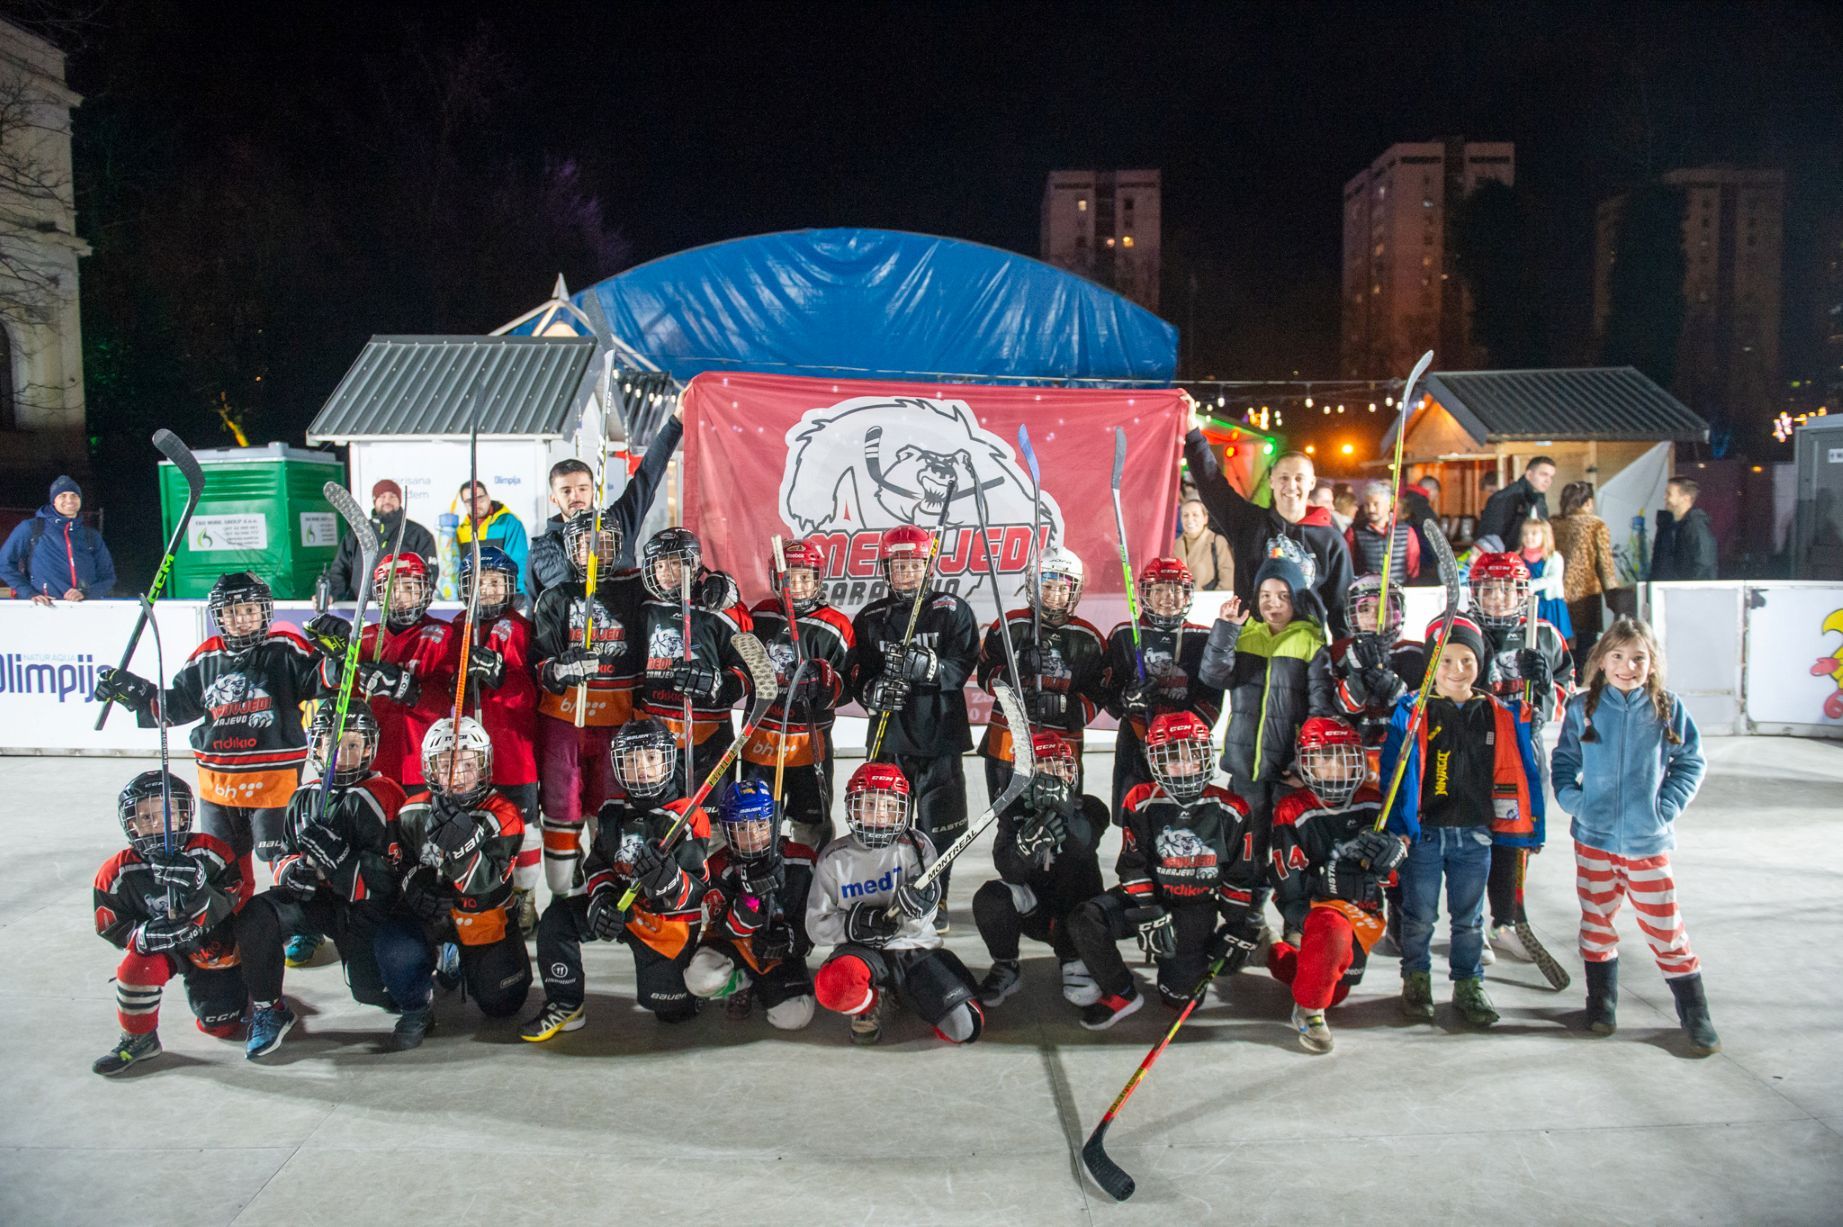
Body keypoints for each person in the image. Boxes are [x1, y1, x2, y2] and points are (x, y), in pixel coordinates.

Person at [1549, 618, 1717, 1055]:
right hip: (1594, 842)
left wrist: (1665, 808)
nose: (1628, 666)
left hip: (1647, 844)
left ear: (1652, 664)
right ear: (1602, 661)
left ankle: (1695, 1015)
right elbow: (1564, 760)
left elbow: (1690, 761)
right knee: (1597, 923)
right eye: (1618, 657)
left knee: (1666, 929)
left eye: (1638, 658)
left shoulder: (1667, 707)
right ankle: (1601, 1005)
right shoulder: (1583, 707)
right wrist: (1575, 801)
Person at [94, 572, 325, 888]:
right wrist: (134, 692)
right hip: (218, 785)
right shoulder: (206, 656)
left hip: (273, 781)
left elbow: (324, 681)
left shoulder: (284, 648)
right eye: (231, 613)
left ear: (265, 611)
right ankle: (233, 931)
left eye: (249, 610)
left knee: (286, 861)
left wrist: (337, 657)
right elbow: (177, 706)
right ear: (219, 616)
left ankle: (299, 929)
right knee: (224, 866)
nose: (241, 619)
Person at [1381, 615, 1544, 1029]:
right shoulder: (1413, 712)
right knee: (1419, 917)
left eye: (1467, 661)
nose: (1457, 671)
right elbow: (1392, 775)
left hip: (1475, 835)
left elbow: (1525, 752)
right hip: (1425, 836)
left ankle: (1469, 984)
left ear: (1480, 664)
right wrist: (1396, 826)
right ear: (1432, 663)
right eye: (1447, 661)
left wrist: (1536, 695)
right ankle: (1415, 978)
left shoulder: (1496, 713)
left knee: (1469, 919)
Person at [1066, 712, 1263, 1030]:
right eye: (1173, 758)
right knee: (1085, 919)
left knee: (1180, 998)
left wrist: (1238, 925)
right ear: (1156, 762)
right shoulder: (1140, 800)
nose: (1184, 767)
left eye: (1191, 757)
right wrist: (1149, 908)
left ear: (1204, 756)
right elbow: (1133, 863)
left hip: (1194, 906)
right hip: (1151, 899)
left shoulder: (1233, 809)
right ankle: (1122, 992)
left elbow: (1241, 875)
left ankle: (1185, 958)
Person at [234, 704, 406, 1059]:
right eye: (332, 744)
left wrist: (343, 863)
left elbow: (394, 876)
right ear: (316, 747)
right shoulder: (303, 795)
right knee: (257, 914)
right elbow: (283, 851)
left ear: (370, 748)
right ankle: (269, 1008)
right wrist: (291, 870)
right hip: (317, 902)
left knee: (373, 993)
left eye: (353, 745)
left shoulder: (387, 794)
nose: (342, 755)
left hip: (364, 910)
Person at [523, 718, 710, 1039]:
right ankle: (565, 1003)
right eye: (632, 760)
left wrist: (668, 881)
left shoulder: (688, 817)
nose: (642, 768)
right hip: (622, 910)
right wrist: (602, 899)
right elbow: (598, 864)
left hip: (661, 926)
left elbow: (698, 892)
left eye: (650, 758)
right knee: (557, 920)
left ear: (667, 759)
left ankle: (692, 992)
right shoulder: (611, 810)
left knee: (672, 1013)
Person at [848, 524, 979, 927]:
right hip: (892, 739)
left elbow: (966, 662)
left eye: (914, 564)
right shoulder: (871, 617)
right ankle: (893, 890)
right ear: (885, 569)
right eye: (898, 564)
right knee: (888, 823)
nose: (906, 572)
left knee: (942, 827)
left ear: (928, 566)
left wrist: (932, 667)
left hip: (940, 739)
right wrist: (871, 691)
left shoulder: (952, 610)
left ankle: (934, 895)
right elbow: (856, 673)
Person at [376, 718, 532, 1050]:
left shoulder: (503, 814)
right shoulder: (411, 811)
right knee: (392, 947)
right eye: (446, 764)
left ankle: (466, 958)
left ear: (483, 765)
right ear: (429, 768)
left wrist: (457, 840)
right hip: (433, 919)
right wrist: (414, 886)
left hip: (482, 919)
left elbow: (482, 883)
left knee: (503, 1004)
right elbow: (397, 863)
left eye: (467, 763)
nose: (457, 774)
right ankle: (417, 1006)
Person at [807, 762, 984, 1046]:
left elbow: (923, 922)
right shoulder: (834, 857)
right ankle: (870, 1001)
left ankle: (909, 990)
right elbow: (816, 926)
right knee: (835, 986)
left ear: (903, 809)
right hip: (862, 952)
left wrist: (918, 909)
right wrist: (853, 926)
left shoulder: (918, 846)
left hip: (912, 949)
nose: (878, 814)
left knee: (965, 1028)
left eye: (888, 806)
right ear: (852, 807)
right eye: (869, 804)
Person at [90, 771, 246, 1075]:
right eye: (146, 817)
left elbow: (232, 902)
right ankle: (140, 1038)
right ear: (130, 823)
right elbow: (110, 922)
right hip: (162, 949)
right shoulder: (115, 872)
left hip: (209, 942)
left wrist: (200, 888)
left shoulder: (211, 852)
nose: (158, 823)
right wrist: (142, 936)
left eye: (167, 813)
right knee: (136, 967)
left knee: (220, 1026)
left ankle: (244, 988)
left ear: (184, 815)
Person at [1265, 717, 1399, 1053]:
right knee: (1329, 935)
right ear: (1307, 764)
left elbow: (1388, 878)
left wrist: (1395, 854)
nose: (1335, 766)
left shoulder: (1373, 801)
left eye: (1343, 757)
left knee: (1333, 990)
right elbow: (1290, 889)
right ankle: (1309, 1010)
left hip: (1363, 914)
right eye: (1324, 758)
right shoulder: (1292, 808)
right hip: (1316, 911)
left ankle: (1268, 950)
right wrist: (1336, 880)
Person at [530, 512, 647, 896]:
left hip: (618, 722)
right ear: (569, 548)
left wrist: (717, 583)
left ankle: (604, 890)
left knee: (610, 813)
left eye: (604, 543)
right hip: (564, 724)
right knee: (562, 811)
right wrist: (559, 670)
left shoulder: (636, 589)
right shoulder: (555, 596)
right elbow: (540, 660)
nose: (593, 550)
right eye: (583, 543)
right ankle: (565, 898)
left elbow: (678, 582)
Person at [1467, 552, 1571, 961]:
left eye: (1506, 589)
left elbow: (1564, 695)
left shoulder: (1544, 634)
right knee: (1473, 838)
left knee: (1516, 839)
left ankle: (1506, 920)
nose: (1496, 598)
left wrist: (1544, 686)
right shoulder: (1464, 630)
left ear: (1522, 593)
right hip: (1474, 750)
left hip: (1523, 751)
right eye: (1488, 589)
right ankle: (1472, 923)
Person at [1197, 556, 1336, 850]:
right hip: (1245, 767)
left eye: (1283, 596)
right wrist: (1225, 629)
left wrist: (1305, 765)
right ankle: (1249, 894)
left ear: (1297, 598)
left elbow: (1320, 710)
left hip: (1289, 769)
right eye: (1266, 596)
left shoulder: (1310, 642)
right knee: (1247, 844)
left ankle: (1289, 895)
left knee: (1290, 843)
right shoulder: (1245, 635)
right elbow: (1213, 675)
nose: (1274, 604)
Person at [442, 545, 542, 929]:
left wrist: (502, 677)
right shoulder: (455, 630)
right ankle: (482, 894)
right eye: (479, 582)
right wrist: (458, 683)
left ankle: (525, 895)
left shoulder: (521, 628)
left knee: (524, 829)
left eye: (495, 582)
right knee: (471, 826)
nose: (486, 589)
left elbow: (534, 691)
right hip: (468, 756)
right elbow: (440, 687)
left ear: (508, 586)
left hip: (514, 749)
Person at [970, 731, 1106, 1012]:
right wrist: (1023, 848)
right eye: (1044, 768)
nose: (1054, 775)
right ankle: (1006, 965)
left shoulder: (1091, 807)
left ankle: (1074, 955)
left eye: (1060, 767)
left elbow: (1084, 843)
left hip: (1077, 915)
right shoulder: (1012, 812)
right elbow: (1008, 871)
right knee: (990, 898)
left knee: (1083, 994)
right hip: (1035, 911)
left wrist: (1065, 811)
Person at [1184, 429, 1356, 633]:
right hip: (1252, 646)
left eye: (1299, 478)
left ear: (1312, 483)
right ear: (1271, 481)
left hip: (1305, 652)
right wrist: (1193, 435)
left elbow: (1341, 609)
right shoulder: (1249, 523)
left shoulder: (1330, 540)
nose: (1291, 486)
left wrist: (1344, 656)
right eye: (1284, 478)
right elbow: (1212, 484)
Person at [742, 536, 854, 849]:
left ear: (818, 579)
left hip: (809, 746)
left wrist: (825, 685)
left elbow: (848, 688)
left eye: (806, 577)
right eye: (790, 578)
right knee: (757, 821)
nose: (798, 585)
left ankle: (807, 884)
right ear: (776, 580)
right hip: (760, 744)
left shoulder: (835, 625)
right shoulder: (760, 616)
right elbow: (743, 669)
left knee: (811, 826)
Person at [683, 779, 817, 1030]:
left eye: (760, 823)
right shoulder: (717, 867)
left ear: (775, 822)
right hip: (734, 947)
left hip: (778, 954)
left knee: (796, 1016)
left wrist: (789, 940)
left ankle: (768, 985)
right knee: (699, 979)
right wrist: (752, 896)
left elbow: (813, 921)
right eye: (742, 827)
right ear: (727, 830)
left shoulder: (802, 859)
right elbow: (725, 930)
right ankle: (742, 982)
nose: (753, 834)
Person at [975, 545, 1108, 797]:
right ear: (1032, 585)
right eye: (1046, 587)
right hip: (1006, 744)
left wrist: (1064, 707)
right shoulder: (1010, 625)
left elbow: (1099, 694)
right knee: (1009, 824)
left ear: (1075, 589)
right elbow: (985, 678)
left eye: (1062, 588)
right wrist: (1019, 667)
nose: (1054, 595)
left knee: (1062, 821)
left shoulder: (1090, 639)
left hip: (1062, 754)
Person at [328, 553, 458, 794]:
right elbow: (350, 700)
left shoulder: (444, 635)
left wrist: (405, 687)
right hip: (376, 764)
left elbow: (445, 702)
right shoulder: (366, 638)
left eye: (409, 587)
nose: (399, 596)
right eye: (390, 588)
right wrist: (334, 659)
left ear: (425, 590)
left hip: (425, 763)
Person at [1102, 557, 1221, 817]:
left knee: (1179, 820)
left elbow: (1213, 697)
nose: (1169, 597)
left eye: (1177, 590)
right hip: (1136, 741)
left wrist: (1182, 735)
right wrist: (1127, 698)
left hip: (1185, 752)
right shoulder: (1124, 634)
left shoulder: (1204, 637)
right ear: (1145, 594)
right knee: (1133, 816)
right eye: (1159, 590)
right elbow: (1107, 694)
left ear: (1188, 594)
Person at [639, 527, 754, 792]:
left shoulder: (723, 610)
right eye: (660, 564)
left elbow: (748, 675)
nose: (666, 571)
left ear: (693, 564)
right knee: (663, 820)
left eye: (676, 563)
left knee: (708, 822)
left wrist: (716, 684)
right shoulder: (644, 605)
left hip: (708, 736)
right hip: (655, 737)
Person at [527, 408, 683, 600]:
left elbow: (646, 478)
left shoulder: (618, 522)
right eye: (566, 490)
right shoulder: (541, 549)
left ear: (593, 491)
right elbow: (536, 610)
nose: (575, 495)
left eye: (582, 488)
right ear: (553, 498)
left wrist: (676, 423)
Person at [1, 475, 116, 603]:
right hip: (43, 609)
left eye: (74, 495)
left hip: (83, 611)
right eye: (62, 495)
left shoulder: (91, 535)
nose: (69, 500)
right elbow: (4, 564)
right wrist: (29, 593)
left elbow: (108, 577)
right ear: (53, 501)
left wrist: (86, 593)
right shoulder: (31, 528)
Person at [1550, 481, 1622, 673]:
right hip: (1585, 600)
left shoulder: (1551, 524)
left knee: (1558, 650)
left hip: (1554, 600)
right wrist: (1614, 600)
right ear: (1588, 502)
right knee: (1585, 654)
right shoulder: (1595, 525)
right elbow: (1605, 567)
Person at [327, 480, 436, 601]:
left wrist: (414, 601)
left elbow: (429, 574)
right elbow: (339, 570)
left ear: (399, 500)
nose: (387, 500)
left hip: (402, 610)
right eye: (382, 496)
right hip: (360, 609)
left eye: (392, 496)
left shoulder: (419, 534)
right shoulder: (357, 532)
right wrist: (333, 595)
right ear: (375, 501)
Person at [454, 480, 530, 596]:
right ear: (464, 504)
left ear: (488, 496)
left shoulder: (509, 523)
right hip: (474, 598)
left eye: (480, 498)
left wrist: (518, 593)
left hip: (503, 597)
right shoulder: (460, 530)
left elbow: (520, 561)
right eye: (469, 501)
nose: (476, 504)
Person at [1344, 481, 1420, 584]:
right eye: (1367, 504)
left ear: (1389, 505)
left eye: (1376, 504)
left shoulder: (1406, 531)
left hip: (1398, 592)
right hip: (1366, 595)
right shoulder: (1354, 531)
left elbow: (1413, 567)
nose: (1371, 509)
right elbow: (1347, 564)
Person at [1518, 516, 1574, 643]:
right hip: (1526, 606)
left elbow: (1553, 578)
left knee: (1551, 640)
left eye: (1534, 533)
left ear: (1544, 535)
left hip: (1549, 606)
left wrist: (1530, 586)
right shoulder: (1519, 558)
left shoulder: (1554, 557)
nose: (1529, 537)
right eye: (1525, 533)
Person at [1477, 456, 1555, 547]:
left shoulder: (1539, 500)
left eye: (1551, 476)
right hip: (1506, 558)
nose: (1548, 480)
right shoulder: (1504, 498)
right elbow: (1490, 539)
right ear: (1529, 475)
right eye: (1543, 474)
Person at [1651, 477, 1718, 581]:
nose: (1664, 497)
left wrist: (1688, 592)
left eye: (1669, 493)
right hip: (1665, 592)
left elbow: (1705, 564)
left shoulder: (1695, 526)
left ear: (1685, 498)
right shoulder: (1667, 526)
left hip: (1684, 593)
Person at [1175, 497, 1234, 591]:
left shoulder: (1217, 541)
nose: (1190, 519)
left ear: (1205, 519)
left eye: (1195, 515)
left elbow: (1228, 578)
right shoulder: (1175, 545)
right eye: (1185, 515)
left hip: (1211, 602)